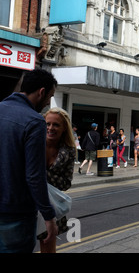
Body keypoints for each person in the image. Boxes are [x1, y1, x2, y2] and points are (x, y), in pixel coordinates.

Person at [0, 68, 58, 253]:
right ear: (41, 92)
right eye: (50, 96)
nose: (48, 102)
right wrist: (49, 217)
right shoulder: (34, 121)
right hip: (15, 213)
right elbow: (34, 175)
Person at [39, 107, 76, 253]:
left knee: (48, 248)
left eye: (56, 125)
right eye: (47, 124)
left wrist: (38, 176)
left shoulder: (69, 150)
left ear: (64, 128)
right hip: (28, 202)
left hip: (51, 205)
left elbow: (66, 183)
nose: (50, 128)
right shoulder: (34, 143)